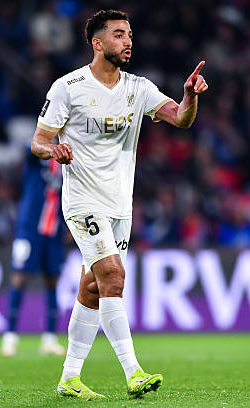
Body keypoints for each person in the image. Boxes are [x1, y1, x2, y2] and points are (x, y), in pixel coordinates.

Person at [30, 9, 208, 399]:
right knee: (113, 275)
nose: (128, 41)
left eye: (129, 34)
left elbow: (181, 119)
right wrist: (53, 149)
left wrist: (190, 96)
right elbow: (38, 141)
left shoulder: (138, 88)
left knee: (93, 287)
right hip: (83, 200)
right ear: (97, 43)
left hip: (119, 206)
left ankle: (69, 378)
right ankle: (134, 372)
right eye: (118, 35)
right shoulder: (68, 87)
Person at [0, 146, 66, 357]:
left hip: (54, 231)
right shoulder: (38, 155)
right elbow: (30, 148)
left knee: (53, 280)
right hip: (29, 229)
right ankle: (10, 337)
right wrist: (48, 143)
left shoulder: (67, 160)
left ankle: (49, 339)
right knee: (20, 277)